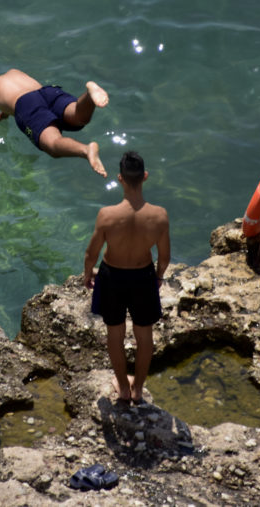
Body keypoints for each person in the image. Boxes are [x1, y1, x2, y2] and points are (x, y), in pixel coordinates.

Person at [84, 151, 171, 405]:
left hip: (112, 277)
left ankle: (123, 387)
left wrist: (88, 274)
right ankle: (138, 390)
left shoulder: (106, 215)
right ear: (144, 177)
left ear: (121, 178)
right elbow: (164, 256)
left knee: (115, 334)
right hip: (143, 276)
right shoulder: (159, 216)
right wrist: (158, 276)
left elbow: (91, 253)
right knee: (144, 336)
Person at [0, 69, 109, 176]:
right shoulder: (13, 73)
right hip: (47, 92)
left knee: (53, 145)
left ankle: (85, 150)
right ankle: (89, 94)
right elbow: (16, 96)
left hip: (27, 105)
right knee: (78, 117)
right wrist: (3, 114)